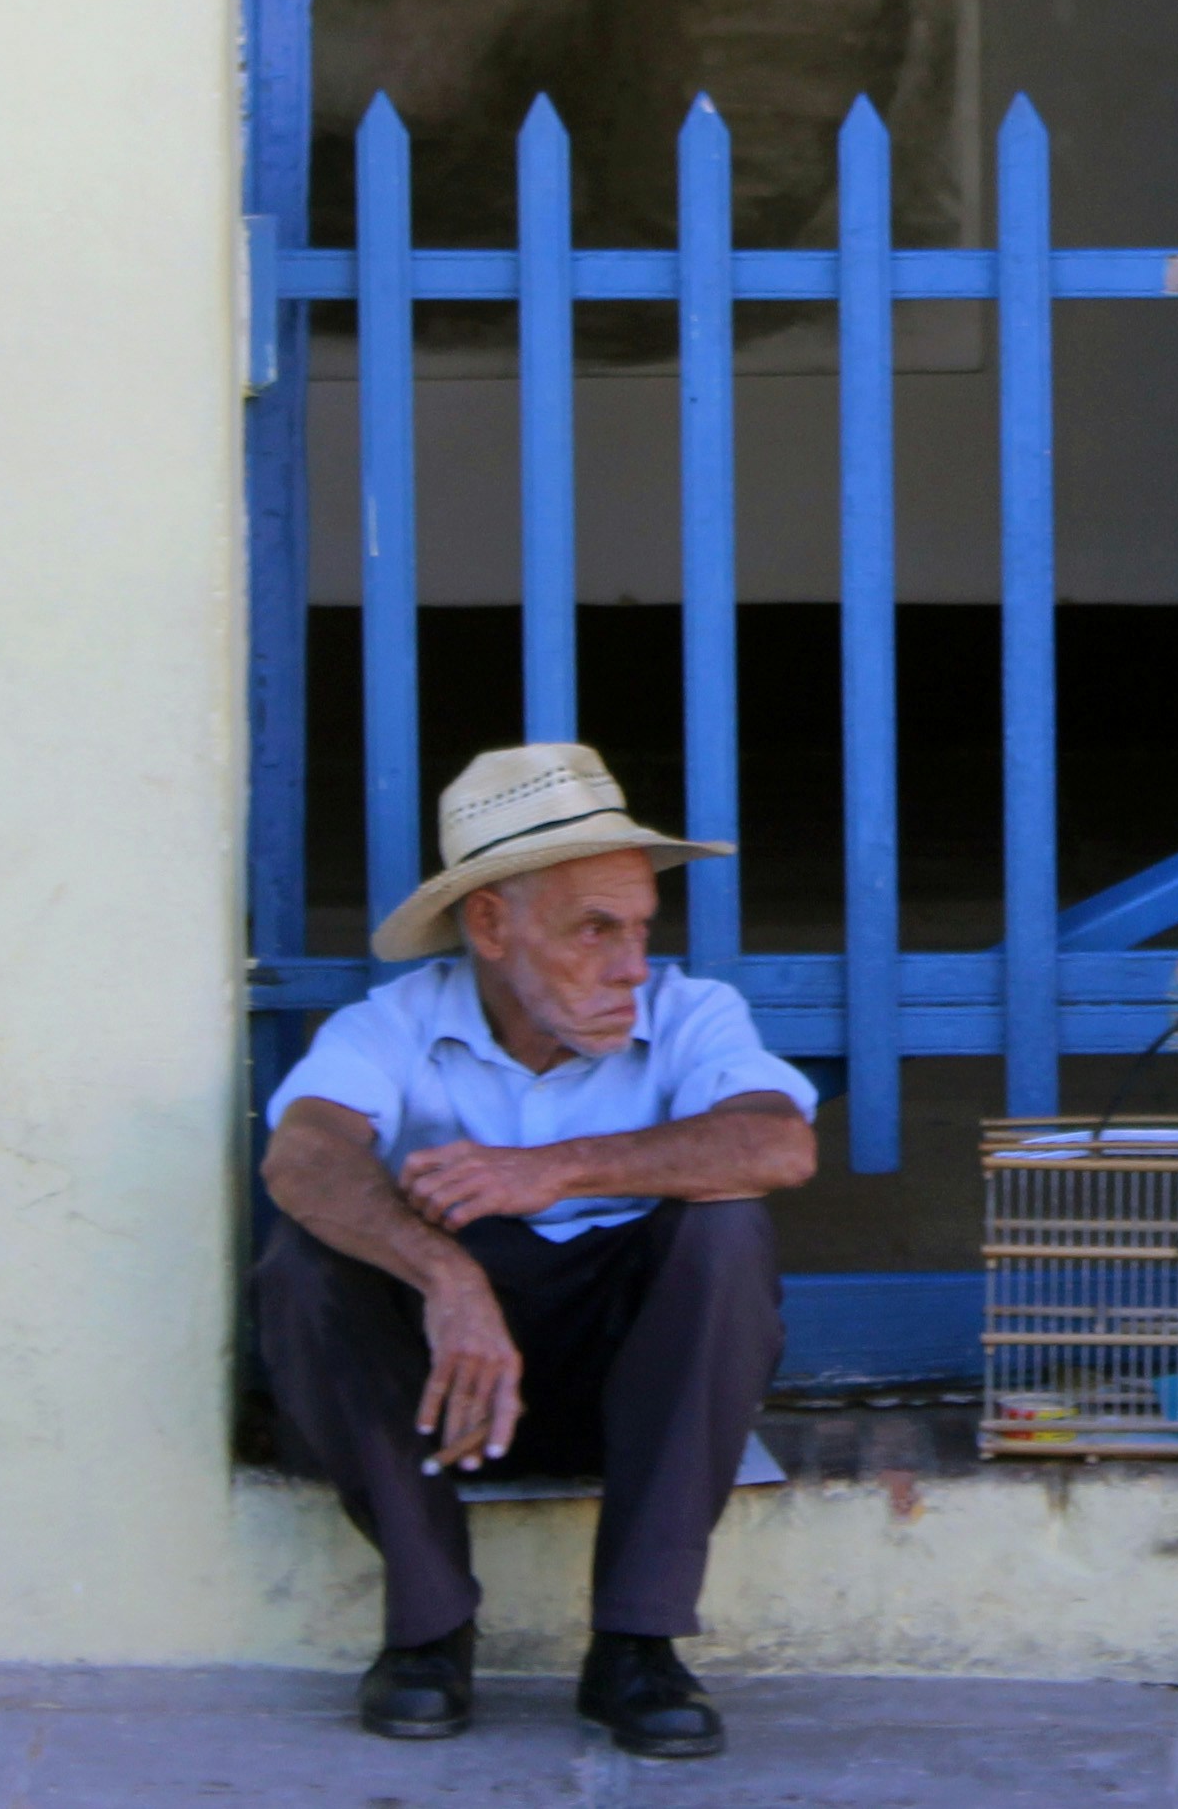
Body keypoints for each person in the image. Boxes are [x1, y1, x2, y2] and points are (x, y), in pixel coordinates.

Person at [253, 742, 816, 1760]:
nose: (631, 967)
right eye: (594, 930)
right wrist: (446, 1276)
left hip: (625, 1392)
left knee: (727, 1223)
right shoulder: (392, 1026)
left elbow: (779, 1142)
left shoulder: (691, 1015)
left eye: (640, 928)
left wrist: (549, 1170)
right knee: (304, 1260)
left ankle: (637, 1645)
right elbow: (302, 1157)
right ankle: (429, 1630)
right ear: (490, 924)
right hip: (445, 1399)